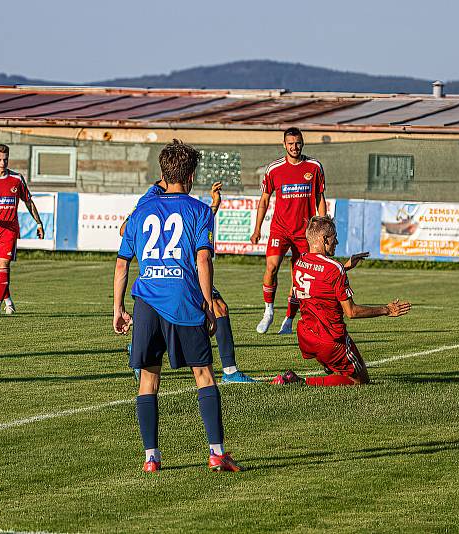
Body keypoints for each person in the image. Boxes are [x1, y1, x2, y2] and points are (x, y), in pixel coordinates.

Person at [113, 140, 241, 473]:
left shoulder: (141, 211)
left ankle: (151, 458)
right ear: (192, 174)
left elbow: (122, 264)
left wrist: (117, 308)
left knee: (147, 378)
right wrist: (209, 304)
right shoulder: (199, 211)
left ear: (162, 173)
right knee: (204, 375)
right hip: (183, 300)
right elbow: (202, 259)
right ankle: (216, 453)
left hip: (147, 303)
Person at [120, 180, 256, 384]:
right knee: (212, 309)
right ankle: (228, 371)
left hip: (188, 266)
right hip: (177, 269)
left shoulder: (179, 196)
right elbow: (124, 229)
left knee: (220, 308)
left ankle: (229, 370)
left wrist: (214, 206)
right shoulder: (152, 194)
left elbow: (190, 227)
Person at [272, 216, 406, 386]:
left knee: (334, 360)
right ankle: (300, 381)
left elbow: (319, 276)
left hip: (306, 337)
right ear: (324, 239)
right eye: (334, 237)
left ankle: (329, 365)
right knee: (360, 381)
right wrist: (387, 309)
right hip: (330, 341)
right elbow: (352, 312)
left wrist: (345, 266)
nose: (337, 241)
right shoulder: (334, 269)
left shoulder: (300, 262)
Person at [251, 127, 327, 335]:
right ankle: (268, 311)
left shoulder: (314, 166)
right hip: (280, 230)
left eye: (298, 143)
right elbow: (264, 199)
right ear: (284, 145)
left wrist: (322, 228)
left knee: (299, 277)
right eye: (290, 143)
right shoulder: (274, 169)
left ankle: (289, 319)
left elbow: (320, 198)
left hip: (305, 232)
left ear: (303, 143)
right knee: (271, 267)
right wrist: (257, 228)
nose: (294, 147)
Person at [0, 144, 44, 316]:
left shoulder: (17, 179)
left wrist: (39, 223)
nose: (2, 163)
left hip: (9, 230)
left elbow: (28, 202)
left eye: (5, 160)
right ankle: (8, 301)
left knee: (4, 265)